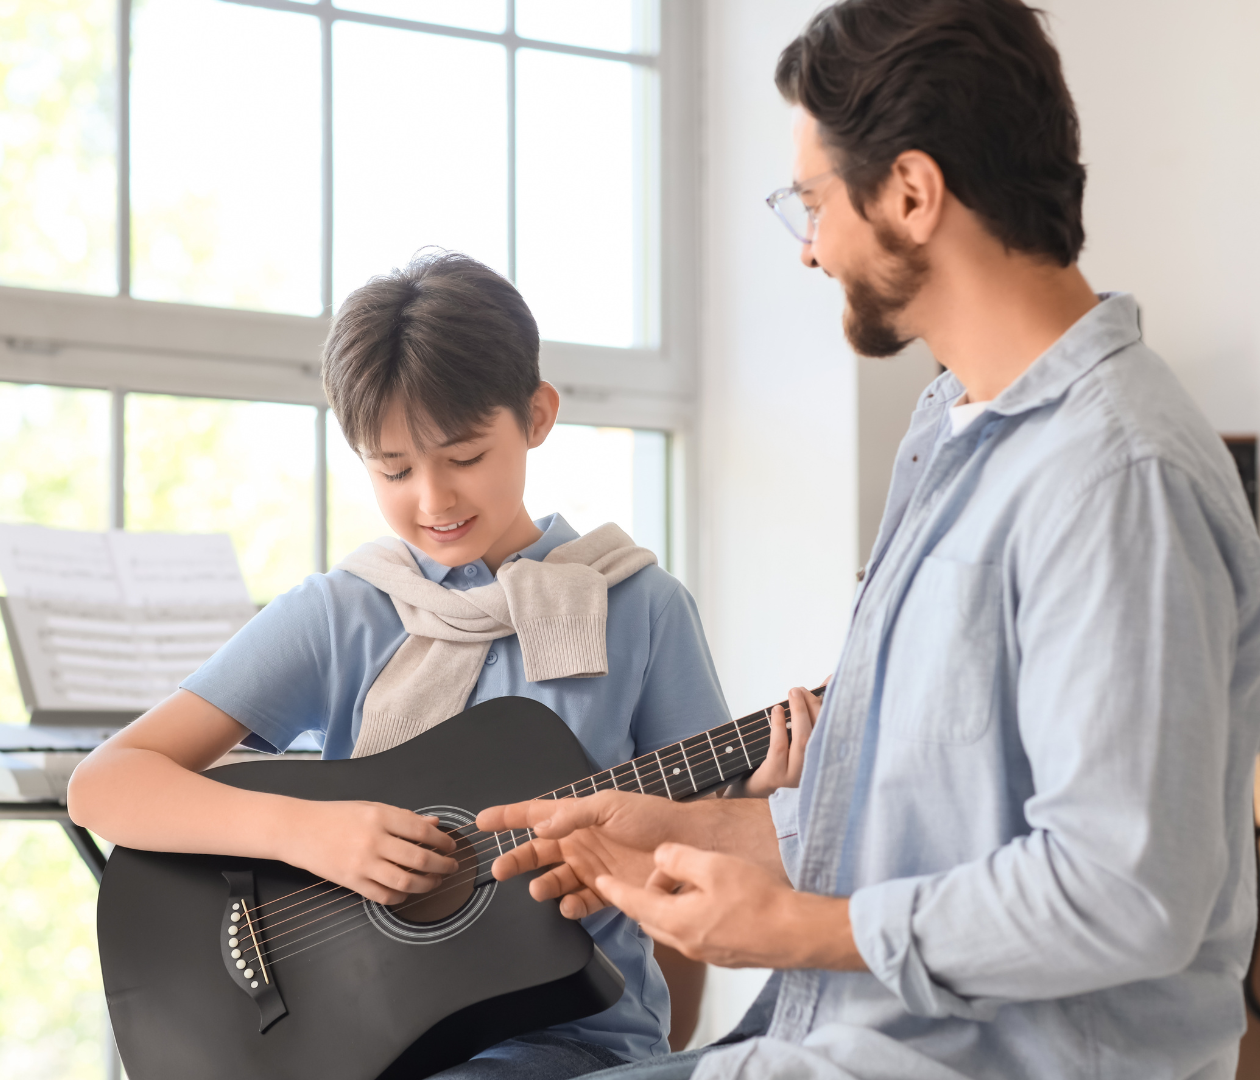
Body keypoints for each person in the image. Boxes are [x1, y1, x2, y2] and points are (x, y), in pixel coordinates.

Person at [478, 2, 1260, 1078]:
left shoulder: (1119, 478)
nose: (808, 250)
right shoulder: (950, 431)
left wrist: (786, 927)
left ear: (911, 192)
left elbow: (1123, 895)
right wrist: (681, 830)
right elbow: (925, 827)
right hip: (845, 1042)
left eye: (812, 202)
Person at [67, 252, 806, 1077]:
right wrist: (306, 832)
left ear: (537, 415)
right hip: (373, 1038)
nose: (434, 500)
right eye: (393, 469)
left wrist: (758, 803)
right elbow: (104, 784)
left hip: (579, 1043)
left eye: (463, 457)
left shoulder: (637, 607)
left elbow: (696, 864)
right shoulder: (343, 613)